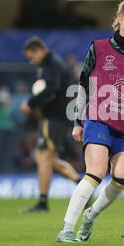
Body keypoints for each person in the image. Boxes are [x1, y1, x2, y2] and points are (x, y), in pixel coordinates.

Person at [56, 0, 124, 242]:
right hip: (98, 117)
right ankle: (67, 229)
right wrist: (77, 121)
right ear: (121, 18)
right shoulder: (99, 48)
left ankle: (91, 215)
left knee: (122, 178)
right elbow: (83, 84)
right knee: (96, 171)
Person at [20, 37, 83, 212]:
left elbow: (52, 88)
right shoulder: (55, 63)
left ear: (39, 50)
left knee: (43, 157)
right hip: (59, 117)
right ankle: (82, 187)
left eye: (31, 56)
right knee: (50, 159)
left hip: (53, 117)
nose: (31, 61)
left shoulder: (50, 64)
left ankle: (42, 202)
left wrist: (30, 103)